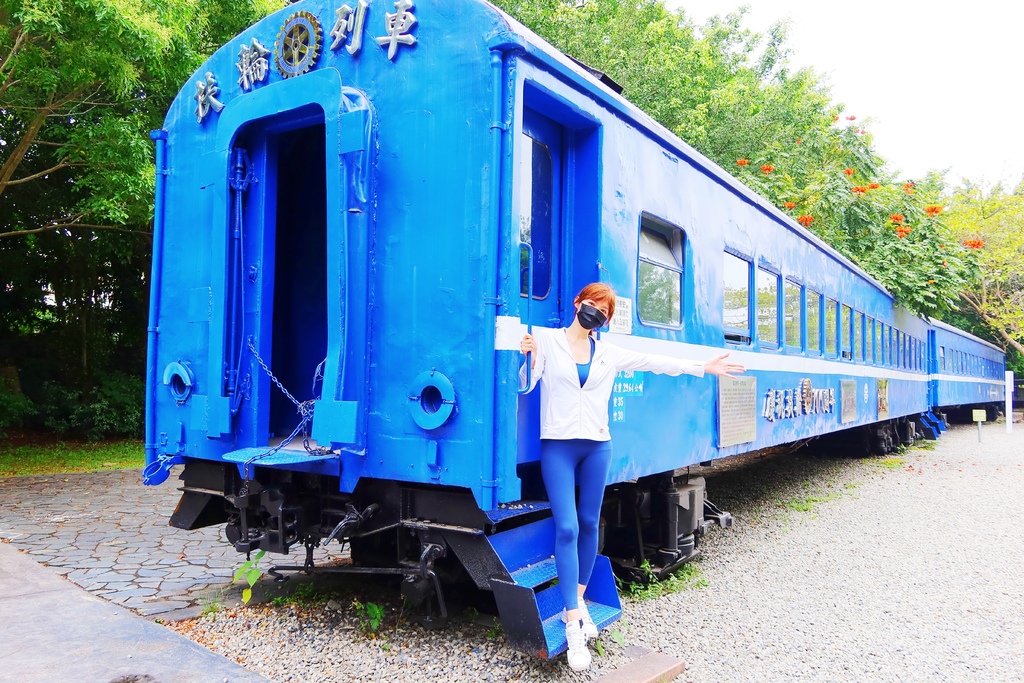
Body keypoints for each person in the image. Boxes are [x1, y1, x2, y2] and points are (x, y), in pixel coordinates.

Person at [519, 282, 745, 672]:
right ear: (577, 304)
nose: (596, 313)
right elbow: (526, 384)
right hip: (558, 445)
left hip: (597, 446)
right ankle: (572, 620)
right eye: (592, 305)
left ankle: (578, 602)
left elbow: (653, 361)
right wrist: (526, 357)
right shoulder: (548, 340)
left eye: (603, 312)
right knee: (568, 527)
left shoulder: (607, 351)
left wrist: (702, 366)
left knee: (590, 523)